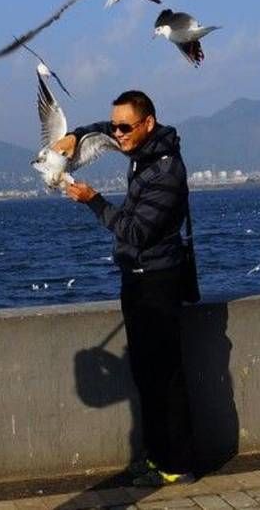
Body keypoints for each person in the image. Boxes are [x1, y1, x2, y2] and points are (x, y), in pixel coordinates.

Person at [52, 89, 195, 487]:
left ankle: (178, 464)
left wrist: (93, 201)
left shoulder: (166, 171)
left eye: (126, 127)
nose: (118, 134)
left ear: (148, 123)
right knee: (147, 376)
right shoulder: (142, 151)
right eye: (116, 125)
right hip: (137, 281)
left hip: (158, 283)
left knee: (164, 376)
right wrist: (75, 136)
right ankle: (157, 457)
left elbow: (134, 231)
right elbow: (105, 132)